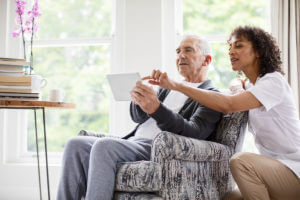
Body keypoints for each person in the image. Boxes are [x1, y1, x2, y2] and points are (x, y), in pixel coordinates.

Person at [56, 35, 222, 200]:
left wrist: (156, 109)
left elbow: (194, 133)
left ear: (206, 60)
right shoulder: (167, 88)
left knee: (104, 146)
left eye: (188, 50)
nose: (180, 56)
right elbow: (139, 119)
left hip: (159, 150)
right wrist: (140, 99)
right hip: (135, 142)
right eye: (178, 51)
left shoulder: (211, 95)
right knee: (75, 144)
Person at [144, 26, 300, 200]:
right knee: (228, 198)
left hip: (294, 170)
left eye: (238, 46)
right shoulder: (250, 85)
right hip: (272, 168)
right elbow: (236, 85)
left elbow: (229, 104)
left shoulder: (273, 82)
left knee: (240, 161)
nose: (231, 52)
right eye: (230, 47)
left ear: (258, 51)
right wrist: (236, 84)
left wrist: (177, 85)